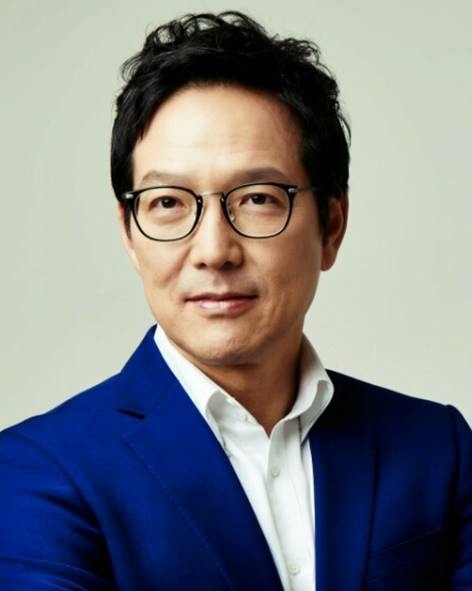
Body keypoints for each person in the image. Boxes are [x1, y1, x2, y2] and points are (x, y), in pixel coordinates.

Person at [0, 11, 470, 591]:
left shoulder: (437, 450)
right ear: (129, 235)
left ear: (331, 226)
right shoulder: (35, 473)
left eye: (257, 198)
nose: (213, 251)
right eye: (168, 203)